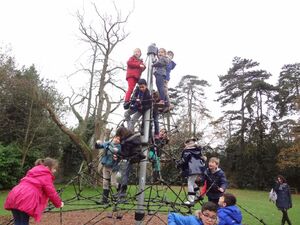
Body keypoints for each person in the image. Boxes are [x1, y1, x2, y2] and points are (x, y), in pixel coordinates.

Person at [4, 157, 64, 225]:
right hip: (25, 197)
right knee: (23, 222)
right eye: (54, 168)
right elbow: (51, 193)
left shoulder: (33, 171)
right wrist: (59, 204)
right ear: (47, 167)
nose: (55, 171)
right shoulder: (46, 175)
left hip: (14, 194)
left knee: (18, 221)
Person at [114, 126, 145, 200]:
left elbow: (126, 153)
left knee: (124, 175)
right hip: (130, 157)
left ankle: (122, 193)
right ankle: (120, 192)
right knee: (122, 175)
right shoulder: (130, 138)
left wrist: (117, 151)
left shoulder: (128, 141)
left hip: (131, 158)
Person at [176, 138, 206, 205]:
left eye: (186, 144)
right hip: (197, 169)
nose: (185, 145)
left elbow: (184, 160)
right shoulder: (197, 151)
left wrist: (178, 164)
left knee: (190, 182)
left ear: (188, 144)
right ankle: (198, 195)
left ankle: (191, 200)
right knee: (193, 182)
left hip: (192, 169)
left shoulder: (188, 151)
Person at [95, 136, 121, 204]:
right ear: (114, 138)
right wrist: (98, 143)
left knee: (114, 183)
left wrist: (108, 145)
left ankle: (121, 196)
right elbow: (99, 147)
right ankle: (104, 200)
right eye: (116, 138)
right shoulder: (108, 143)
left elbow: (114, 150)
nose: (117, 140)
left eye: (118, 139)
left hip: (113, 167)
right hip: (106, 166)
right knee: (105, 183)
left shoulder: (119, 146)